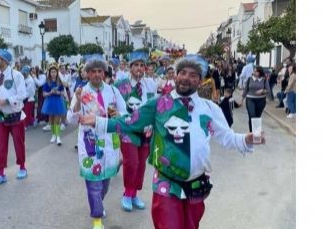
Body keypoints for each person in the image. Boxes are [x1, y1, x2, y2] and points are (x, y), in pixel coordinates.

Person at [80, 54, 265, 229]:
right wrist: (98, 122)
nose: (186, 78)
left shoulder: (210, 108)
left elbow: (227, 137)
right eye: (182, 73)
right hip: (166, 184)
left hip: (196, 185)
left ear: (200, 81)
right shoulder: (159, 104)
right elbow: (129, 121)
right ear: (175, 76)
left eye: (193, 75)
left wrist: (246, 139)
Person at [66, 54, 126, 229]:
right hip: (90, 141)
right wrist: (77, 101)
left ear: (105, 72)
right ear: (87, 73)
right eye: (93, 71)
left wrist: (118, 115)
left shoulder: (113, 91)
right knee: (93, 180)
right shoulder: (81, 92)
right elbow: (70, 119)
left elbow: (125, 113)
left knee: (105, 179)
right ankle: (97, 218)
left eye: (100, 71)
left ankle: (99, 203)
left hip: (109, 141)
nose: (97, 74)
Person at [113, 51, 152, 212]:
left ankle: (134, 193)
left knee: (141, 164)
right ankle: (127, 194)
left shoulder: (150, 84)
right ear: (130, 67)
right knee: (132, 162)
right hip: (128, 129)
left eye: (142, 65)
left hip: (146, 131)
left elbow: (156, 104)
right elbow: (114, 105)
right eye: (136, 65)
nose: (139, 68)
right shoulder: (121, 85)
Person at [0, 49, 28, 185]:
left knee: (19, 143)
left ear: (4, 60)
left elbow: (23, 94)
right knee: (0, 145)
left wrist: (6, 101)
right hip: (0, 116)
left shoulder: (16, 75)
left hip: (15, 115)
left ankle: (22, 167)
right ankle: (1, 174)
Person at [41, 65, 67, 145]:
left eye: (55, 72)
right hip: (49, 102)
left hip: (58, 102)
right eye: (52, 72)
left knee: (57, 120)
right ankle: (53, 135)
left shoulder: (59, 82)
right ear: (49, 73)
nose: (53, 73)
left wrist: (58, 92)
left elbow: (63, 92)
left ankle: (58, 136)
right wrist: (50, 92)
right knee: (51, 120)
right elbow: (44, 94)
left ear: (57, 73)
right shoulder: (47, 83)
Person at [241, 66, 270, 132]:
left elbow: (268, 90)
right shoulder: (249, 79)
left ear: (259, 72)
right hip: (250, 99)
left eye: (256, 71)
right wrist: (242, 100)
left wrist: (262, 91)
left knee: (257, 117)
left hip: (261, 100)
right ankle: (252, 132)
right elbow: (245, 90)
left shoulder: (264, 79)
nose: (254, 72)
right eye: (254, 71)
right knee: (252, 115)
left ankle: (256, 132)